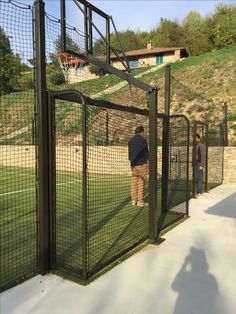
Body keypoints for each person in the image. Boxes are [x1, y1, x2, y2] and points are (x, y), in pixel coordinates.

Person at [128, 126, 149, 207]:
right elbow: (146, 153)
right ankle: (140, 202)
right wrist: (148, 161)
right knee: (141, 182)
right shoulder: (143, 140)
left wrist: (131, 161)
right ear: (142, 132)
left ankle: (134, 201)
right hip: (142, 164)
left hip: (133, 165)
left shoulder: (130, 141)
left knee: (133, 182)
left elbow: (129, 154)